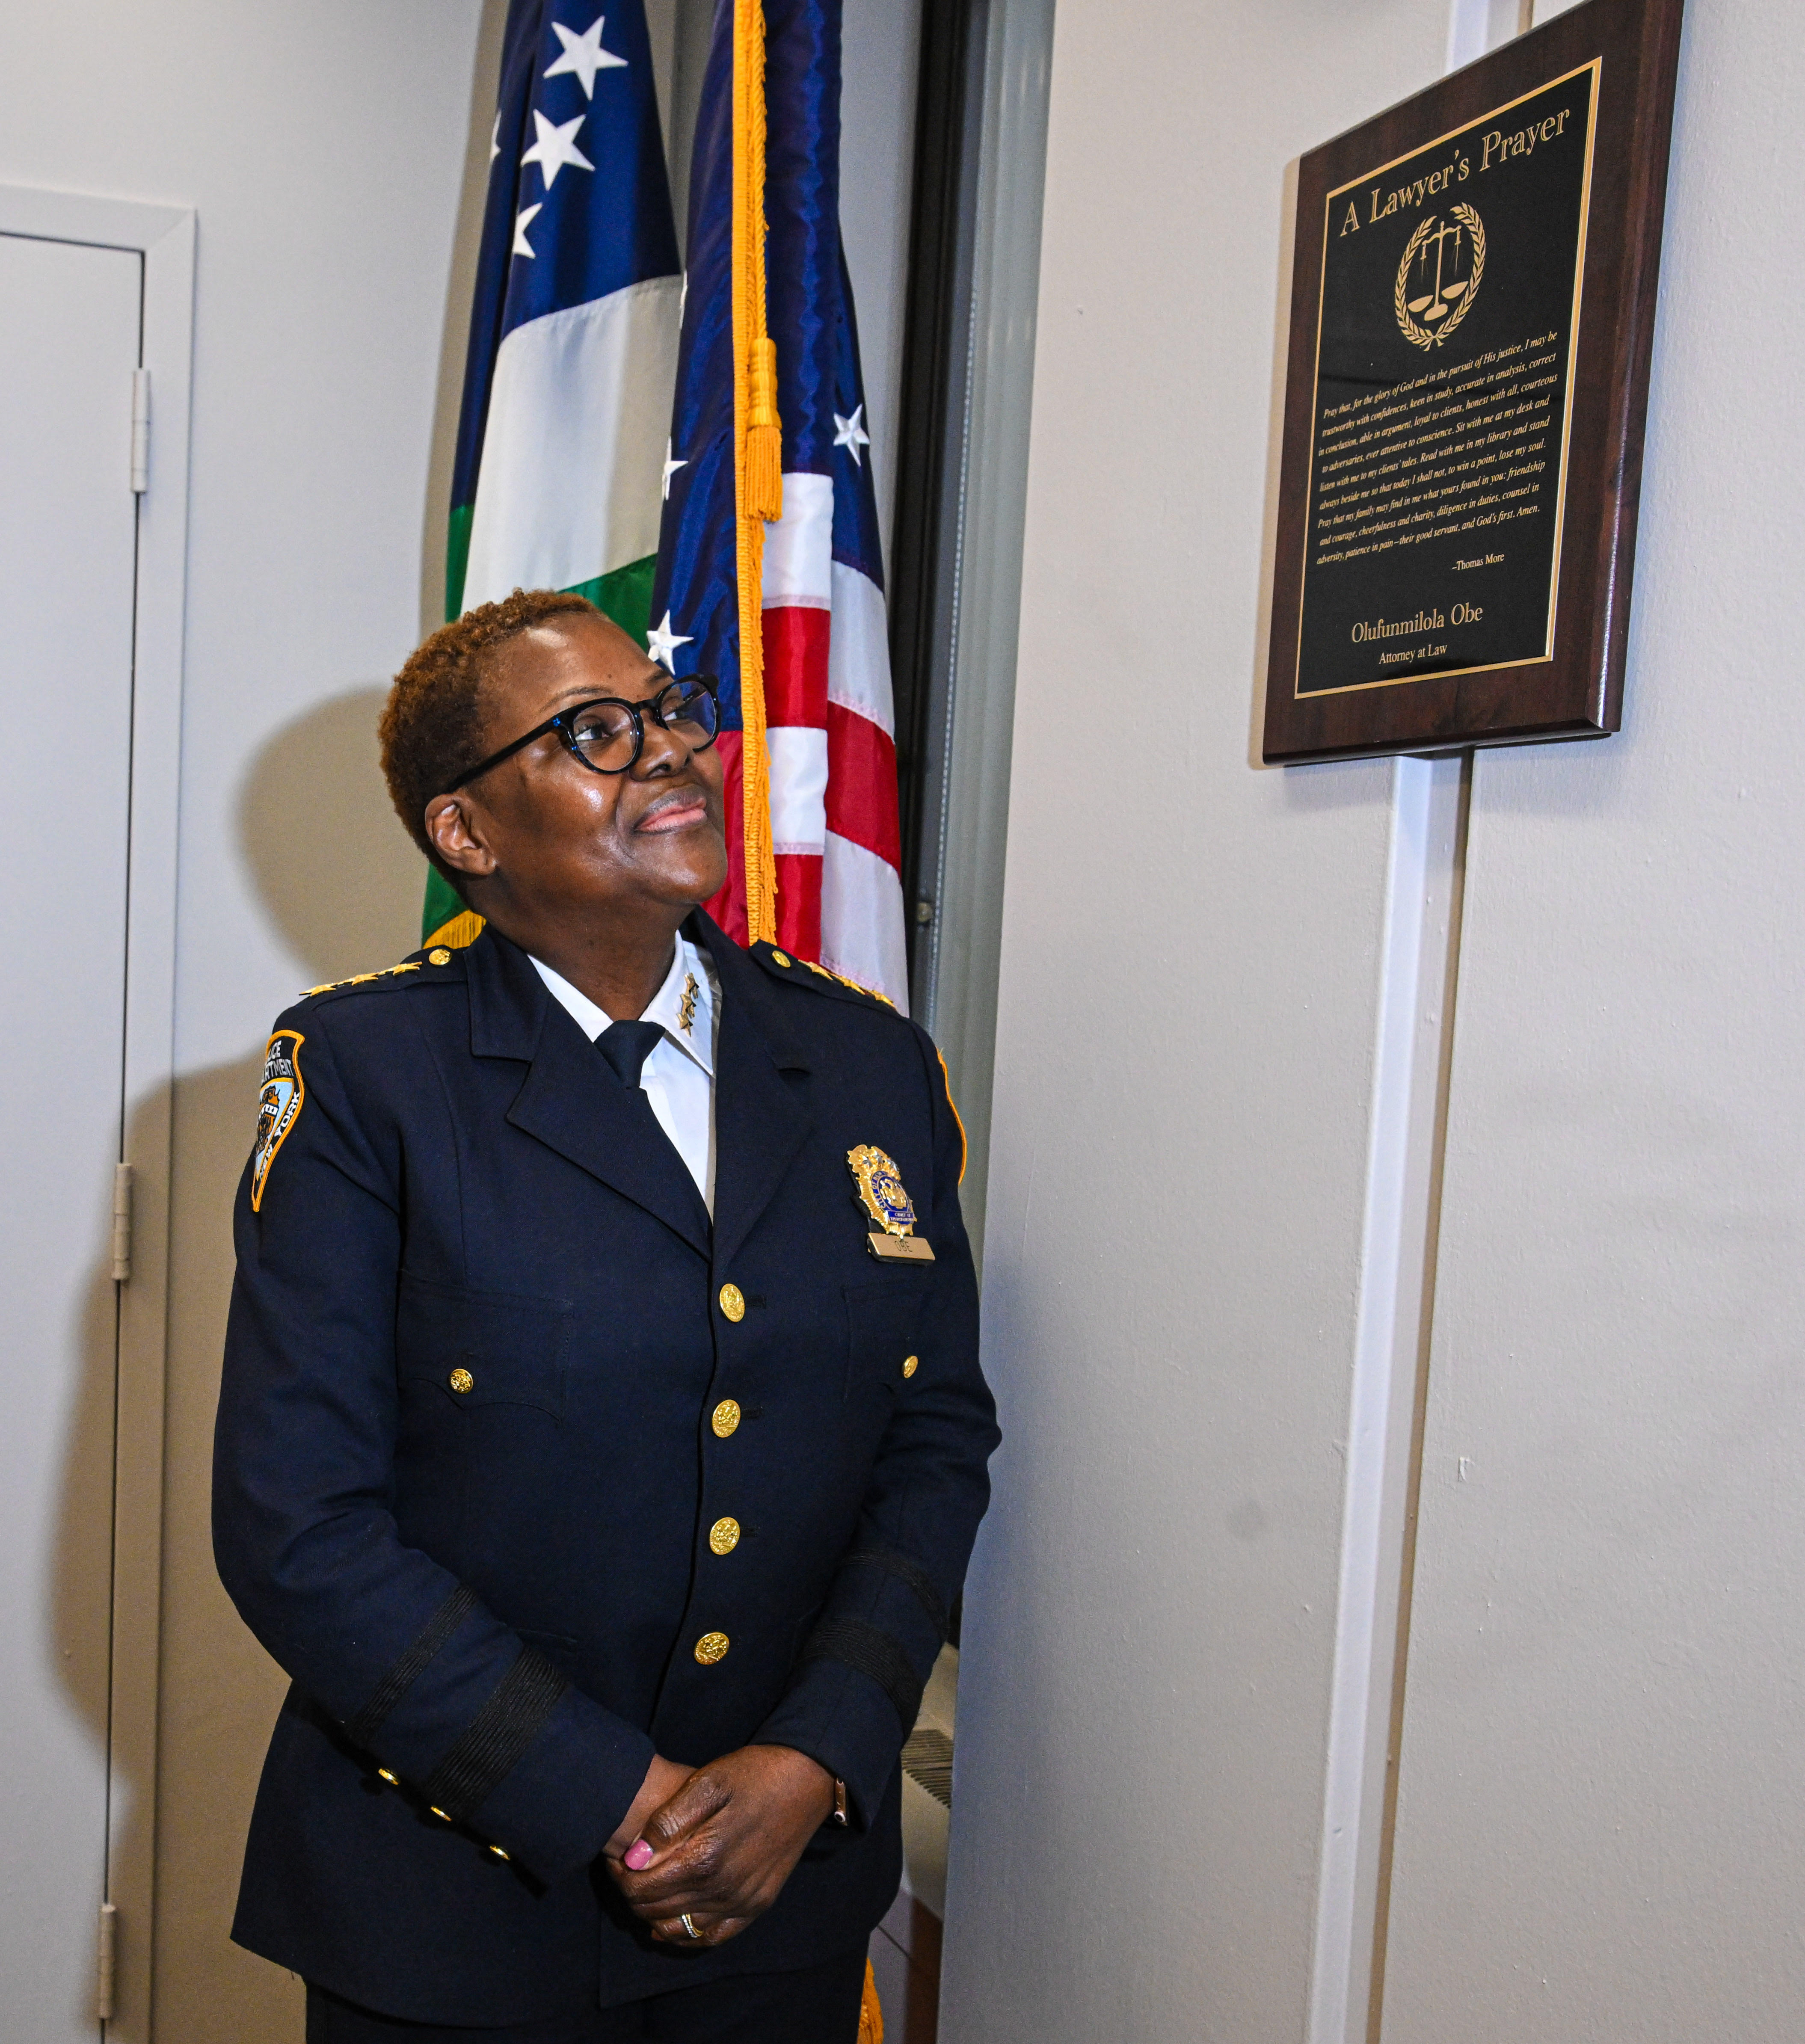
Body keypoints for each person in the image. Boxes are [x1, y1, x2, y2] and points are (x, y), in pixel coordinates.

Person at [213, 588, 999, 2043]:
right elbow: (297, 1524)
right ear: (466, 834)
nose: (669, 754)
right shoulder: (368, 1074)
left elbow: (934, 1436)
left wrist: (816, 1754)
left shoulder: (865, 1063)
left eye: (670, 710)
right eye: (594, 734)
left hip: (784, 1901)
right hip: (454, 1909)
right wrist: (614, 1800)